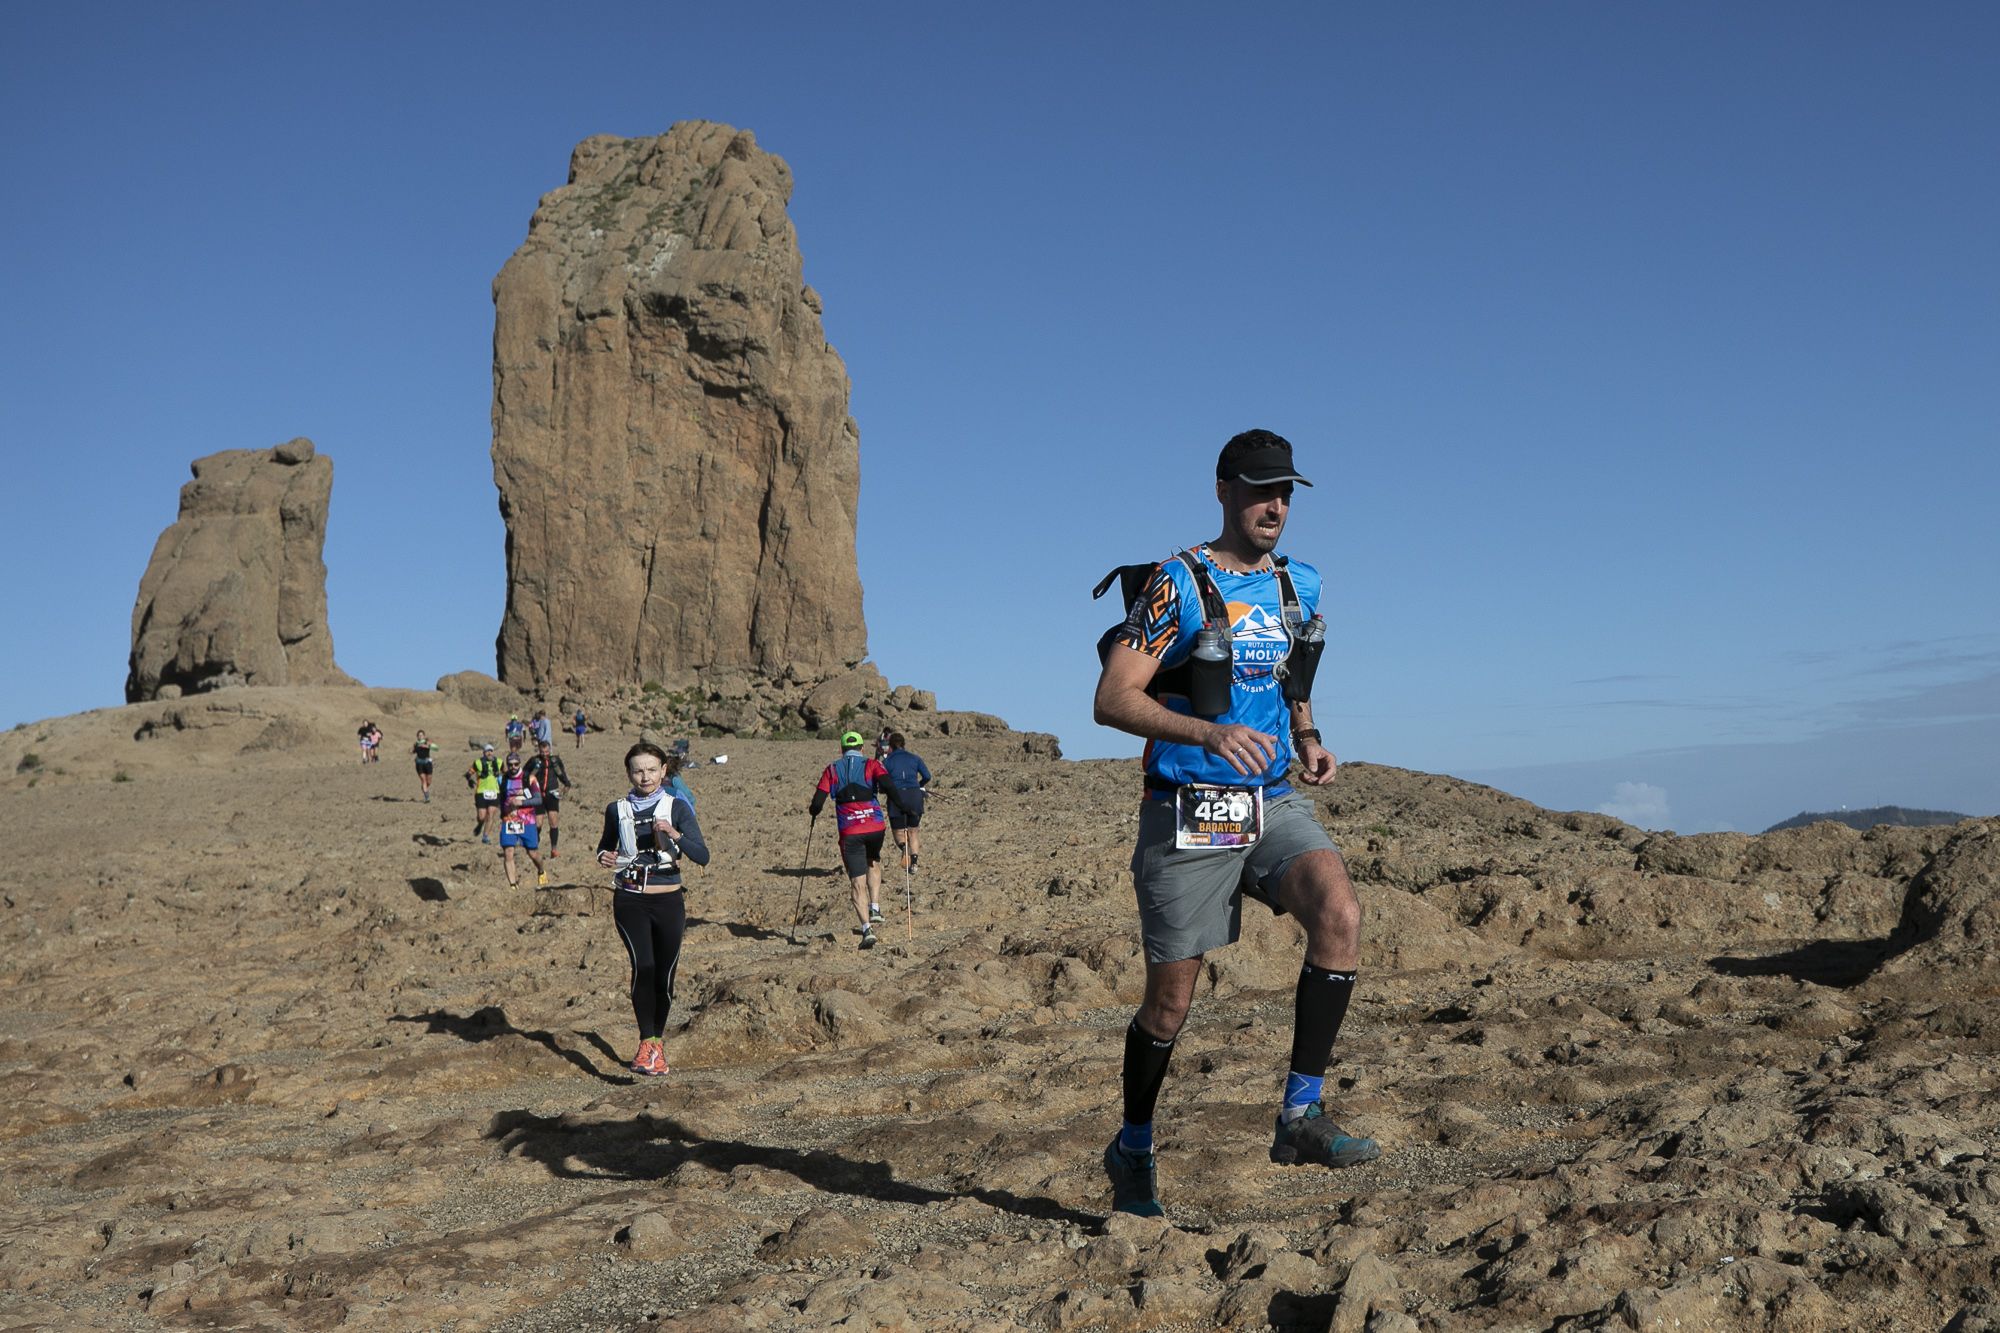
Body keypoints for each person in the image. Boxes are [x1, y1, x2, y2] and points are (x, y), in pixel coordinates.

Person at [1092, 428, 1375, 1219]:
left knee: (1339, 911)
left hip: (1271, 798)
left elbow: (1292, 681)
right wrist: (1208, 732)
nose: (1274, 505)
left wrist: (1309, 737)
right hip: (1188, 807)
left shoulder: (1301, 584)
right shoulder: (1178, 584)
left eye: (1284, 490)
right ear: (1223, 490)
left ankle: (1299, 1116)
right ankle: (1134, 1145)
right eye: (1258, 489)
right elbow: (1113, 698)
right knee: (1170, 1006)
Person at [597, 741, 710, 1077]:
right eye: (637, 770)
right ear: (629, 773)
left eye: (651, 769)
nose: (644, 776)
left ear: (663, 771)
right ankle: (647, 1042)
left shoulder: (677, 806)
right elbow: (605, 846)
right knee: (643, 966)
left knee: (665, 974)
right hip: (630, 899)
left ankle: (657, 1044)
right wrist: (603, 857)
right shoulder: (616, 809)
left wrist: (674, 833)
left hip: (668, 900)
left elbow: (702, 856)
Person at [809, 730, 904, 950]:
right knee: (873, 860)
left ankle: (866, 929)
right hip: (875, 827)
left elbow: (817, 802)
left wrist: (813, 812)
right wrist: (902, 806)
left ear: (842, 750)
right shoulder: (872, 764)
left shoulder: (832, 769)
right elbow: (888, 786)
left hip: (850, 832)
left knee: (856, 881)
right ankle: (876, 906)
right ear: (862, 748)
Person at [880, 732, 932, 872]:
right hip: (914, 796)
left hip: (896, 796)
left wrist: (884, 790)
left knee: (898, 832)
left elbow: (882, 782)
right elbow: (927, 776)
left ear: (890, 746)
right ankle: (914, 863)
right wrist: (918, 784)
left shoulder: (887, 761)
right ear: (904, 744)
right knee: (913, 831)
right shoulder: (915, 758)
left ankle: (904, 847)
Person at [497, 751, 549, 888]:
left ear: (520, 763)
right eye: (510, 764)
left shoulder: (529, 779)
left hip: (527, 821)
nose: (513, 767)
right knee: (508, 852)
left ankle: (541, 870)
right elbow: (500, 798)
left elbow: (538, 799)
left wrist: (521, 802)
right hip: (509, 820)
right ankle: (513, 885)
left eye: (516, 764)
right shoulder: (503, 779)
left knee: (532, 853)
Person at [523, 739, 574, 857]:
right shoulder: (534, 761)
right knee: (538, 823)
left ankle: (554, 849)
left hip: (552, 794)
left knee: (553, 821)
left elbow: (561, 773)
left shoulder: (555, 761)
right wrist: (527, 791)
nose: (545, 754)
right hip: (537, 795)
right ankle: (534, 843)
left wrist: (567, 784)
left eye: (547, 751)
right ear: (539, 751)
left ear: (550, 750)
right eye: (542, 752)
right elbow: (524, 776)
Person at [466, 743, 503, 843]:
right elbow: (469, 773)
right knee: (481, 816)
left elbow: (506, 773)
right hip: (481, 792)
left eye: (491, 751)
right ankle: (480, 823)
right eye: (487, 751)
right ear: (484, 753)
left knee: (491, 815)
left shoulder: (499, 762)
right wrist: (469, 779)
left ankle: (485, 836)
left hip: (495, 792)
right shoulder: (478, 762)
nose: (489, 753)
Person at [411, 730, 438, 802]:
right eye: (419, 735)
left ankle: (424, 787)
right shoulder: (416, 744)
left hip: (427, 763)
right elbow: (412, 751)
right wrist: (411, 750)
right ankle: (427, 797)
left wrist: (427, 746)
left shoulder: (427, 742)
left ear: (424, 736)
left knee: (429, 781)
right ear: (417, 737)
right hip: (419, 764)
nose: (420, 736)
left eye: (421, 735)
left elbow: (436, 748)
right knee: (423, 780)